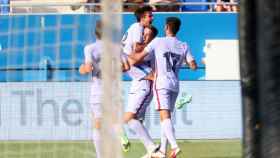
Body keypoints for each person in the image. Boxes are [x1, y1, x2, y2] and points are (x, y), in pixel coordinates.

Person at [127, 17, 197, 158]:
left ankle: (175, 146)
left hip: (161, 83)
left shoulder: (158, 41)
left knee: (164, 117)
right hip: (175, 85)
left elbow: (139, 57)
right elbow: (193, 66)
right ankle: (163, 151)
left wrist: (125, 57)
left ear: (166, 27)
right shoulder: (184, 45)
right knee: (167, 118)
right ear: (177, 29)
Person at [121, 5, 160, 158]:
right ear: (142, 18)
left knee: (129, 118)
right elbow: (136, 50)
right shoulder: (137, 27)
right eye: (149, 16)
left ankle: (153, 148)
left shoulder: (151, 49)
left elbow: (136, 52)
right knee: (133, 120)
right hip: (137, 79)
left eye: (151, 16)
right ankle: (153, 151)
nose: (152, 18)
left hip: (143, 81)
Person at [79, 20, 103, 158]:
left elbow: (88, 68)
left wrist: (81, 68)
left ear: (95, 32)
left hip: (98, 91)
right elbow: (125, 67)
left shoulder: (90, 48)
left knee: (97, 124)